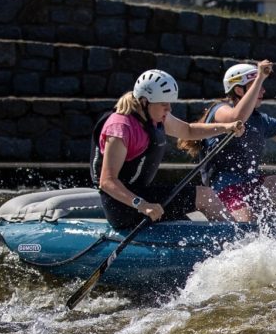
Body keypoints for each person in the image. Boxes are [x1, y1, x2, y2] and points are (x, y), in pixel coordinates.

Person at [91, 69, 245, 229]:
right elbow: (107, 182)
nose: (169, 109)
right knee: (205, 197)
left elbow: (189, 131)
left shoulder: (153, 116)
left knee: (199, 206)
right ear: (144, 102)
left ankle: (230, 239)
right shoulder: (120, 128)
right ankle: (233, 242)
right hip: (122, 206)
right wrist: (143, 205)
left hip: (143, 194)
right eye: (164, 105)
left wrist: (226, 127)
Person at [178, 60, 276, 222]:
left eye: (261, 85)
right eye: (256, 85)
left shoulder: (262, 120)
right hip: (223, 189)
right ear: (239, 90)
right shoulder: (219, 110)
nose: (263, 90)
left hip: (252, 185)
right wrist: (260, 76)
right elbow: (237, 118)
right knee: (247, 221)